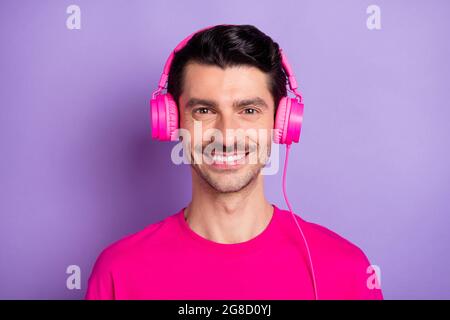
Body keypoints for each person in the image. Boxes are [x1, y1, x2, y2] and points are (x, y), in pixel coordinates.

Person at [85, 24, 383, 300]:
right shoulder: (118, 273)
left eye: (249, 111)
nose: (226, 135)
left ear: (281, 122)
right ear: (172, 121)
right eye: (203, 110)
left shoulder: (348, 271)